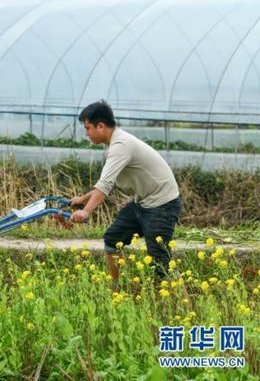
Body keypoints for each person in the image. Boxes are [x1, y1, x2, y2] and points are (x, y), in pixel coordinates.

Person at [68, 100, 181, 282]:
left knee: (161, 264)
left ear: (101, 126)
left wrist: (86, 211)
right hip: (144, 203)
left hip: (162, 205)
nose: (86, 133)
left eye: (88, 128)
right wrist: (82, 199)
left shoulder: (121, 146)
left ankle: (181, 308)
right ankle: (117, 290)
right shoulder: (115, 144)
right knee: (113, 239)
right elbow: (106, 183)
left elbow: (104, 185)